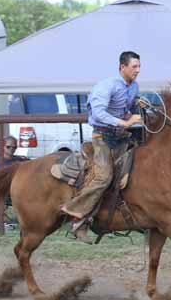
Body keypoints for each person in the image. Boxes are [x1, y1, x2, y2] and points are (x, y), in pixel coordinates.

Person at [60, 51, 144, 243]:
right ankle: (75, 215)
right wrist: (123, 123)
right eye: (134, 67)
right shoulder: (106, 86)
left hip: (122, 138)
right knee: (104, 176)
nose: (138, 70)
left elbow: (129, 109)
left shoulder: (134, 87)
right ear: (122, 67)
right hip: (103, 138)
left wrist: (137, 106)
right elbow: (98, 114)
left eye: (139, 67)